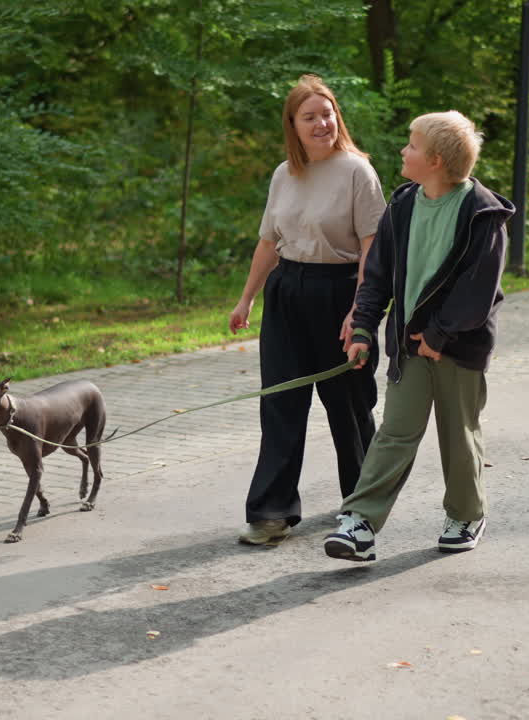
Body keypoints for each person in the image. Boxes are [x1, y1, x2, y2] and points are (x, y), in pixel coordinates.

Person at [322, 110, 514, 562]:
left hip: (457, 348)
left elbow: (478, 290)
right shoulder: (404, 204)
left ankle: (466, 514)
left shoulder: (481, 215)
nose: (402, 151)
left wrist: (440, 336)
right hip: (410, 349)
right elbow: (379, 274)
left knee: (458, 433)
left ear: (438, 161)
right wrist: (365, 325)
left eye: (411, 145)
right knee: (394, 432)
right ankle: (360, 523)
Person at [228, 74, 386, 546]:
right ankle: (271, 513)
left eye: (328, 112)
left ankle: (362, 505)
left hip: (340, 291)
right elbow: (268, 241)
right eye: (310, 117)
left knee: (349, 406)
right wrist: (247, 296)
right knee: (280, 402)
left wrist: (359, 313)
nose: (323, 123)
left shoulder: (358, 172)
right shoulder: (284, 173)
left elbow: (372, 248)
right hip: (287, 293)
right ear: (293, 126)